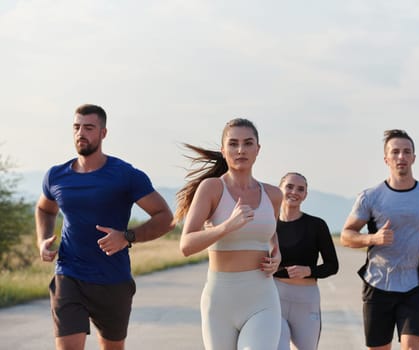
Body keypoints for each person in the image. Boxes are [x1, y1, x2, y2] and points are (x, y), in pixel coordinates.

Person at [35, 104, 173, 350]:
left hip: (113, 279)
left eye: (89, 128)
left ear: (103, 133)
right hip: (69, 273)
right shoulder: (56, 176)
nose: (81, 133)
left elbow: (164, 217)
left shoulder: (125, 175)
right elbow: (45, 209)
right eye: (76, 127)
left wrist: (127, 236)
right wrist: (43, 239)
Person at [340, 129, 419, 350]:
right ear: (386, 159)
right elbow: (346, 235)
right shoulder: (370, 196)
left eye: (406, 152)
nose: (401, 157)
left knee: (412, 347)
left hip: (414, 286)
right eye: (395, 152)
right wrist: (373, 238)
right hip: (377, 284)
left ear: (413, 157)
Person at [174, 118, 283, 350]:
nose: (241, 149)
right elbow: (186, 245)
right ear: (223, 151)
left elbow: (270, 234)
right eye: (233, 144)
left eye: (248, 143)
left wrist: (277, 254)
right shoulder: (212, 188)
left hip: (262, 299)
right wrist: (226, 227)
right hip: (220, 302)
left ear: (258, 149)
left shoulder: (274, 195)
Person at [274, 172, 339, 350]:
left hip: (307, 300)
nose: (294, 192)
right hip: (275, 298)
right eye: (289, 186)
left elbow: (332, 266)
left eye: (300, 189)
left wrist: (309, 271)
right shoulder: (269, 225)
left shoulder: (317, 225)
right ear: (280, 189)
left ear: (305, 195)